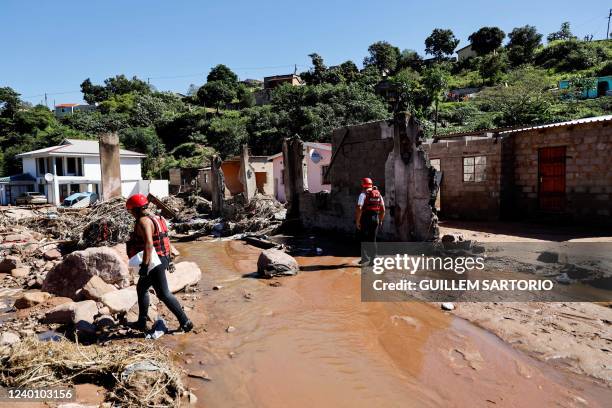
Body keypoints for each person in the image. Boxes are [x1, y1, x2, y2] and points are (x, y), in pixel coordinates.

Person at [125, 194, 193, 332]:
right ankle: (142, 322)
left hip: (154, 261)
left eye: (130, 211)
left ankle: (185, 322)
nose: (131, 214)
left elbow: (149, 244)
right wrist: (169, 260)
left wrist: (144, 266)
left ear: (136, 209)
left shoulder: (143, 221)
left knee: (163, 293)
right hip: (161, 258)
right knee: (142, 287)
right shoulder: (157, 218)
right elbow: (165, 240)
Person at [355, 177, 385, 265]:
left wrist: (357, 221)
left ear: (363, 185)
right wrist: (381, 220)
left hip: (365, 218)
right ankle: (373, 259)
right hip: (375, 218)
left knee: (361, 237)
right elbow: (383, 209)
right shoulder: (378, 194)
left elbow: (359, 208)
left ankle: (364, 257)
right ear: (371, 184)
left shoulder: (363, 194)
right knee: (373, 239)